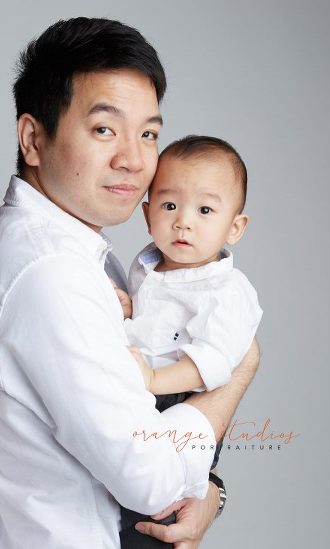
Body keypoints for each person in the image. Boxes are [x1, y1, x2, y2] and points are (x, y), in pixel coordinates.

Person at [0, 17, 260, 549]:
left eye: (148, 133)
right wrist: (238, 374)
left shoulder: (81, 255)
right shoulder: (50, 274)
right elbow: (152, 482)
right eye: (105, 129)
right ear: (33, 138)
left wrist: (211, 491)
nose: (134, 160)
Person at [117, 135, 263, 545]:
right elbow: (153, 325)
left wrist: (152, 381)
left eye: (204, 210)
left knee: (154, 510)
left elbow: (214, 363)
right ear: (147, 215)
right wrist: (127, 311)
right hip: (151, 389)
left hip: (180, 397)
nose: (183, 221)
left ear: (235, 227)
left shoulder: (226, 291)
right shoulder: (148, 264)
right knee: (123, 495)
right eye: (169, 206)